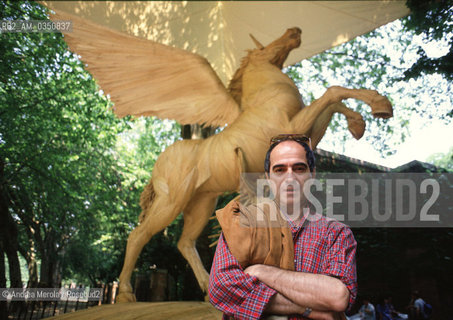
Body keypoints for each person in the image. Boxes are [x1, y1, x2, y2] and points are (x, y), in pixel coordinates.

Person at [209, 134, 358, 319]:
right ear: (268, 177)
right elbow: (221, 289)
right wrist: (305, 309)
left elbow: (337, 297)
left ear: (312, 174)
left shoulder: (336, 233)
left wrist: (260, 271)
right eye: (279, 169)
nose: (290, 177)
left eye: (299, 168)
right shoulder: (244, 222)